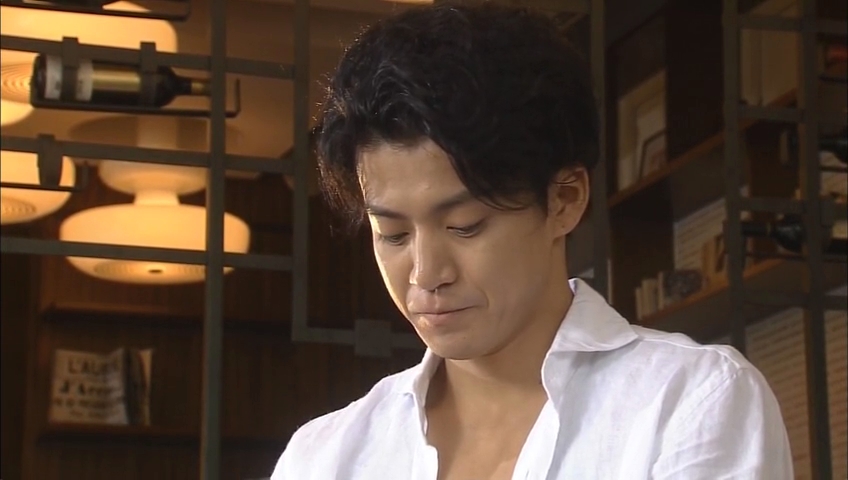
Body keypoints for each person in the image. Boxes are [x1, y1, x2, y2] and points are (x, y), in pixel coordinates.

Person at [271, 3, 793, 479]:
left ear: (564, 199)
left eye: (465, 225)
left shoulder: (688, 403)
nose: (426, 274)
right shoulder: (324, 457)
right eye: (394, 234)